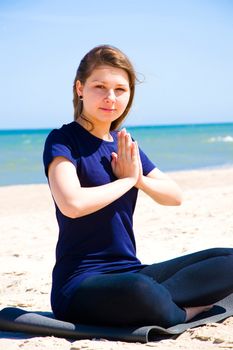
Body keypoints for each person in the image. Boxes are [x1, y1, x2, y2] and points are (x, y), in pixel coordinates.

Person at [43, 44, 233, 328]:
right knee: (139, 291)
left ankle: (162, 302)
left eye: (120, 89)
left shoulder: (124, 145)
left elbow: (174, 196)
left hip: (132, 271)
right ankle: (185, 312)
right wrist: (128, 181)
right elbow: (72, 204)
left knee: (227, 259)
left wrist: (140, 179)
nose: (110, 97)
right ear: (80, 88)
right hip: (80, 284)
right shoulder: (63, 140)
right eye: (100, 87)